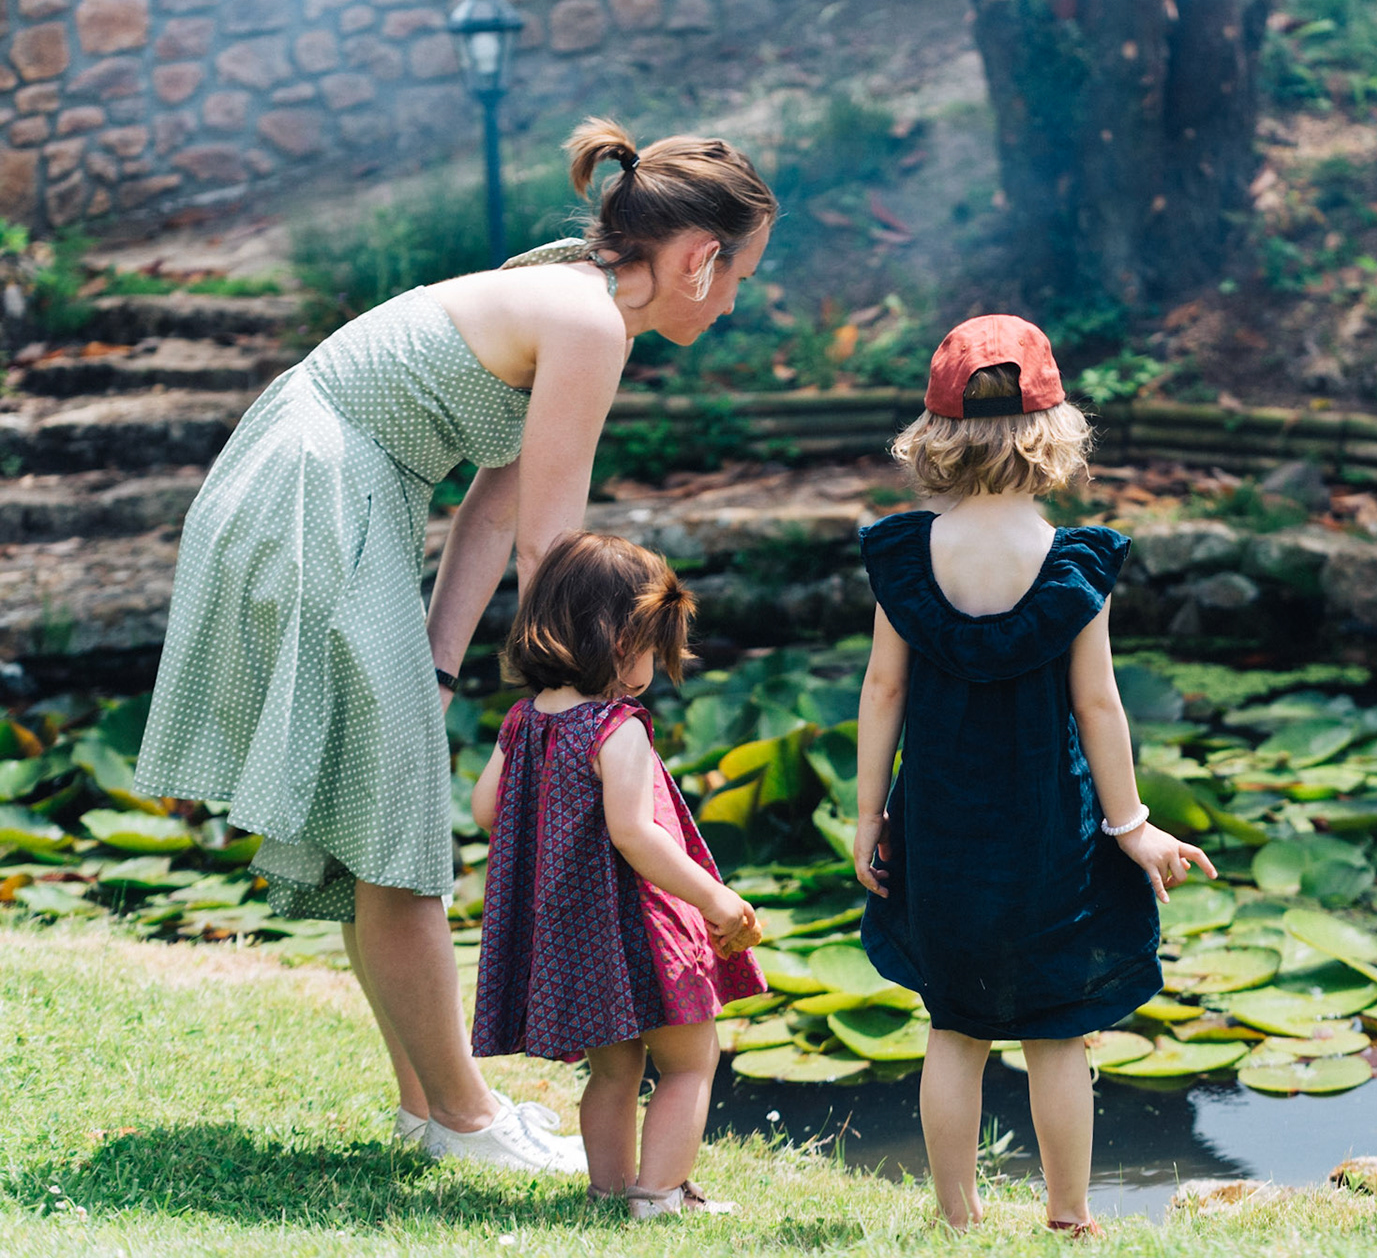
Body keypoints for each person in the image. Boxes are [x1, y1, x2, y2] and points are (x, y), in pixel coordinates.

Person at [134, 116, 776, 1170]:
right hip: (319, 493)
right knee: (394, 830)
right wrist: (585, 706)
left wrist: (438, 668)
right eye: (739, 277)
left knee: (374, 822)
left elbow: (493, 506)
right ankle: (466, 1119)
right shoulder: (591, 321)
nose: (733, 302)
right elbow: (552, 548)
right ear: (701, 258)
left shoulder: (579, 290)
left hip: (322, 479)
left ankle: (427, 1107)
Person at [852, 315, 1217, 1235]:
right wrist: (1131, 824)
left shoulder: (906, 558)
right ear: (1055, 432)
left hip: (940, 828)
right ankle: (1068, 1215)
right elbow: (1098, 705)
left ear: (934, 433)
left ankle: (956, 1218)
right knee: (1057, 1032)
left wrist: (867, 817)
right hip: (1050, 830)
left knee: (955, 1027)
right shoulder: (1071, 564)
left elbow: (883, 690)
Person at [469, 531, 765, 1218]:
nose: (653, 667)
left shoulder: (523, 720)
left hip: (578, 937)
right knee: (689, 1062)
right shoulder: (615, 725)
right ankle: (658, 1195)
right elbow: (635, 834)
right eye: (653, 650)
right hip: (643, 930)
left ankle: (607, 1192)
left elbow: (486, 808)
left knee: (613, 1071)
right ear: (622, 641)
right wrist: (715, 897)